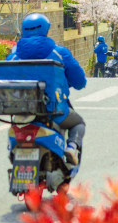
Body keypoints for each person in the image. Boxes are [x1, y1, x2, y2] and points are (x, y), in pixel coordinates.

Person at [7, 13, 87, 166]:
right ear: (46, 30)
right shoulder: (60, 53)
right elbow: (79, 81)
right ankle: (71, 147)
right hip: (53, 109)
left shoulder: (13, 56)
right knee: (78, 123)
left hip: (21, 111)